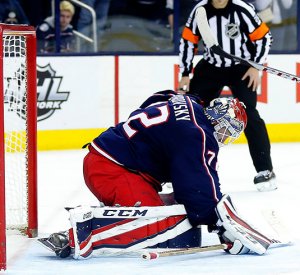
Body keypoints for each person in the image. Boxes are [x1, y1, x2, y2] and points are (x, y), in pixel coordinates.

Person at [38, 90, 276, 258]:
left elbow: (158, 97)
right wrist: (219, 223)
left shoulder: (189, 102)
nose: (226, 137)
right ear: (216, 118)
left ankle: (113, 211)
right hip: (112, 169)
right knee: (157, 223)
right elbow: (197, 187)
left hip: (110, 160)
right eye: (228, 129)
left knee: (175, 205)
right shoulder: (198, 135)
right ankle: (74, 237)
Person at [178, 0, 277, 192]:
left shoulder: (242, 9)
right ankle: (187, 169)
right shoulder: (200, 11)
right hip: (211, 67)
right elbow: (188, 41)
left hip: (241, 68)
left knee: (250, 115)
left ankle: (265, 169)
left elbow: (264, 37)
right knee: (191, 114)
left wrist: (255, 67)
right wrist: (185, 73)